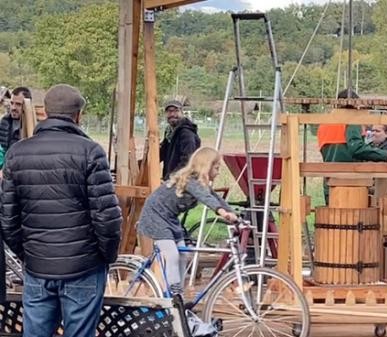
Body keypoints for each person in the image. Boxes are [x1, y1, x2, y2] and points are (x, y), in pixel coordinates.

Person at [1, 84, 122, 337]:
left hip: (37, 267)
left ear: (44, 111)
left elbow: (8, 219)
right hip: (84, 266)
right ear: (78, 115)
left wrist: (28, 255)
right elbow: (107, 218)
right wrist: (105, 257)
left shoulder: (17, 154)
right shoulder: (91, 152)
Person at [137, 147, 239, 295]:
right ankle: (173, 294)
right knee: (171, 255)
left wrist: (235, 215)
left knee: (183, 254)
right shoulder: (191, 181)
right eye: (216, 168)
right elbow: (206, 199)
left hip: (170, 218)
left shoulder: (202, 184)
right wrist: (222, 213)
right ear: (206, 166)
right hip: (155, 216)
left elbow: (216, 198)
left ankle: (176, 290)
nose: (218, 172)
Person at [317, 89, 387, 202]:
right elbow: (357, 149)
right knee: (353, 218)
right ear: (352, 106)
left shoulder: (323, 125)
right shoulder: (351, 122)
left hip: (330, 183)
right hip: (351, 186)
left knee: (332, 217)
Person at [160, 100, 201, 180]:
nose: (172, 114)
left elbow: (188, 160)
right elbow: (163, 153)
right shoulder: (169, 132)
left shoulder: (186, 134)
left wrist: (170, 178)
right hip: (173, 180)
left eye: (176, 111)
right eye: (169, 111)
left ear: (182, 112)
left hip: (184, 182)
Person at [0, 87, 31, 151]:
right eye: (11, 103)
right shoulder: (4, 121)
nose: (13, 108)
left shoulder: (34, 126)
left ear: (28, 105)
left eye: (18, 104)